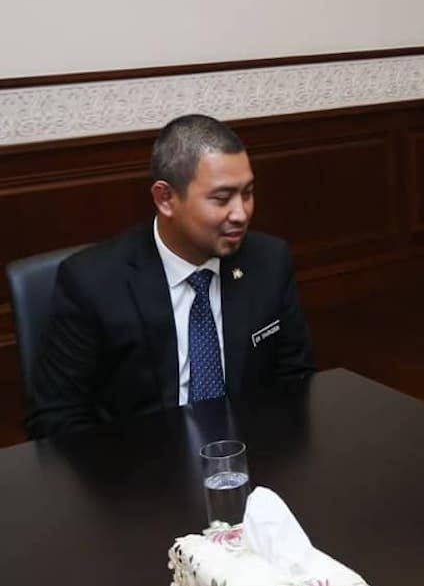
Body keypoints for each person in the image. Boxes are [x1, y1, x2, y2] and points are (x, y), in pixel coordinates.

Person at [26, 114, 315, 438]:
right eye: (221, 198)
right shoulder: (91, 282)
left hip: (249, 460)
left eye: (247, 193)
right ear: (165, 198)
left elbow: (296, 381)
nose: (241, 213)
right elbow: (55, 418)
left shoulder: (269, 262)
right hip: (137, 470)